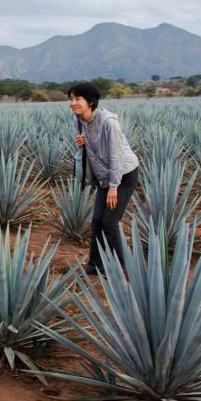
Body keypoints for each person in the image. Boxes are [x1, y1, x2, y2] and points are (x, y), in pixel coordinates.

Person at [69, 82, 139, 276]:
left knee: (109, 221)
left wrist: (114, 187)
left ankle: (124, 268)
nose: (73, 103)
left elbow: (116, 156)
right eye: (71, 99)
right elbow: (91, 151)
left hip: (123, 176)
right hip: (104, 176)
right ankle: (95, 264)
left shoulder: (109, 123)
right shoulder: (78, 120)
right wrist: (81, 144)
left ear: (90, 101)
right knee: (97, 221)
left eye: (77, 99)